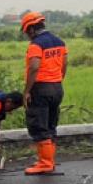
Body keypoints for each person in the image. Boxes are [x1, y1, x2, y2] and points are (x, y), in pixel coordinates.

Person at [21, 11, 68, 175]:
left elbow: (34, 67)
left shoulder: (36, 45)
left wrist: (27, 91)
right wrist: (57, 80)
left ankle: (45, 163)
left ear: (31, 29)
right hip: (56, 87)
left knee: (39, 125)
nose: (27, 36)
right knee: (50, 125)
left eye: (27, 32)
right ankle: (48, 160)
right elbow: (64, 65)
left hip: (40, 88)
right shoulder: (60, 42)